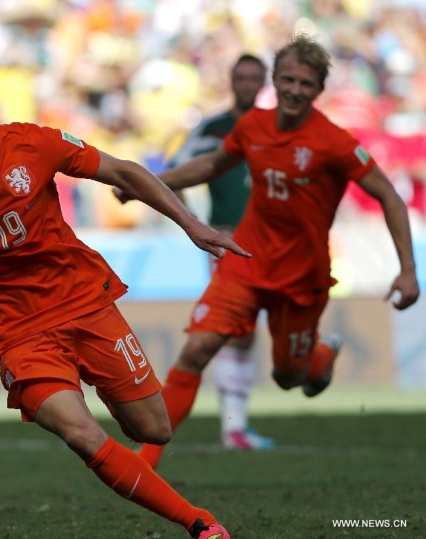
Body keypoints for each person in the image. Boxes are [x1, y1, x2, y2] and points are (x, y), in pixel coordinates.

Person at [0, 62, 250, 538]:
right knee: (83, 434)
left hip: (84, 303)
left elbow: (124, 172)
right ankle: (202, 524)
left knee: (154, 428)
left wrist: (191, 225)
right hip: (19, 332)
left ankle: (110, 390)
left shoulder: (31, 143)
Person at [114, 34, 420, 470]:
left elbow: (389, 195)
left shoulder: (332, 142)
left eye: (307, 83)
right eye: (288, 79)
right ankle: (145, 462)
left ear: (319, 90)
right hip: (245, 260)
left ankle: (322, 354)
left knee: (288, 375)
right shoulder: (253, 126)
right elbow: (211, 165)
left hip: (301, 277)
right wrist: (147, 186)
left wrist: (407, 270)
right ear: (274, 81)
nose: (296, 89)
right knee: (197, 349)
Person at [168, 53, 275, 451]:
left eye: (254, 77)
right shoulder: (213, 127)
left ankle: (237, 427)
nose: (247, 84)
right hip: (229, 241)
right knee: (233, 329)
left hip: (274, 242)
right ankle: (234, 429)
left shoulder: (275, 125)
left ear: (263, 80)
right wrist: (195, 222)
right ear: (231, 80)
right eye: (241, 77)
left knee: (249, 334)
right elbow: (173, 171)